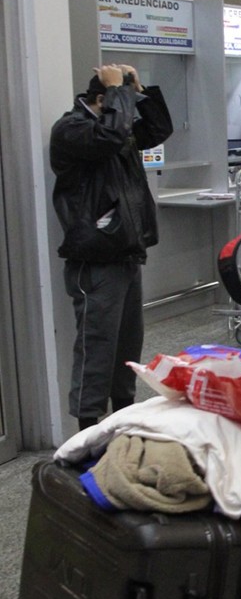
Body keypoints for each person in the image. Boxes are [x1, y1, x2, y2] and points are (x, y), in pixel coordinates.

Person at [50, 62, 173, 431]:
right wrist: (120, 93)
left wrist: (140, 89)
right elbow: (108, 139)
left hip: (125, 250)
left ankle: (122, 418)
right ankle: (86, 429)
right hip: (95, 256)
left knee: (126, 346)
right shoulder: (72, 129)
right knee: (97, 347)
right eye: (119, 100)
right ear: (102, 99)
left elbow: (157, 130)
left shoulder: (115, 126)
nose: (127, 112)